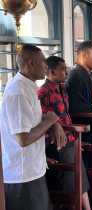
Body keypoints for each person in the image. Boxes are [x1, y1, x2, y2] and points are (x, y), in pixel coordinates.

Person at [0, 44, 59, 210]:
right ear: (31, 63)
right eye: (44, 62)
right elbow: (23, 139)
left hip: (32, 168)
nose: (46, 66)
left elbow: (31, 122)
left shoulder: (28, 87)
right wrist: (48, 122)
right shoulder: (18, 91)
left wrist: (53, 123)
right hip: (23, 175)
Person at [38, 56, 92, 210]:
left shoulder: (63, 89)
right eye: (63, 69)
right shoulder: (43, 92)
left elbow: (66, 116)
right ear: (53, 71)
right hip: (53, 143)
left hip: (68, 139)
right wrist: (55, 125)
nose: (67, 72)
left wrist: (74, 139)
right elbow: (42, 119)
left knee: (79, 168)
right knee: (73, 169)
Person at [65, 41, 92, 208]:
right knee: (89, 166)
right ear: (84, 55)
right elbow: (74, 105)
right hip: (84, 131)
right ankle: (89, 202)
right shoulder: (76, 75)